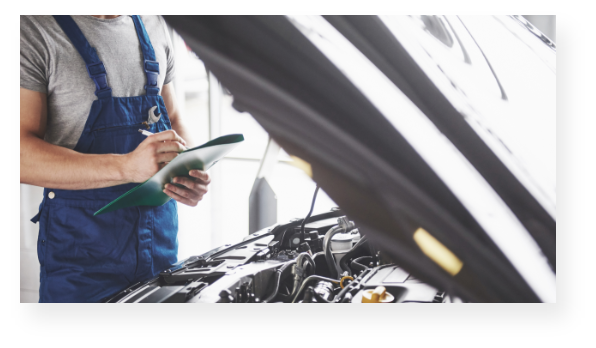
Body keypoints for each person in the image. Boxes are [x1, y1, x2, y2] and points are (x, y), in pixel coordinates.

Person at [20, 15, 209, 302]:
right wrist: (126, 167)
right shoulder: (35, 28)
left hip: (160, 255)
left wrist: (189, 169)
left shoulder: (154, 23)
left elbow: (175, 120)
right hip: (82, 265)